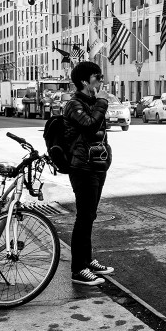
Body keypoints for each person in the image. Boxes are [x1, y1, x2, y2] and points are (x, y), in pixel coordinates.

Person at [64, 61, 114, 286]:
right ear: (85, 81)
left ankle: (87, 260)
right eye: (98, 77)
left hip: (96, 165)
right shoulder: (74, 104)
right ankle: (78, 269)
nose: (101, 80)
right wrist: (102, 101)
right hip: (82, 167)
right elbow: (90, 126)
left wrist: (99, 101)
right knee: (84, 217)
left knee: (90, 215)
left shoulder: (91, 102)